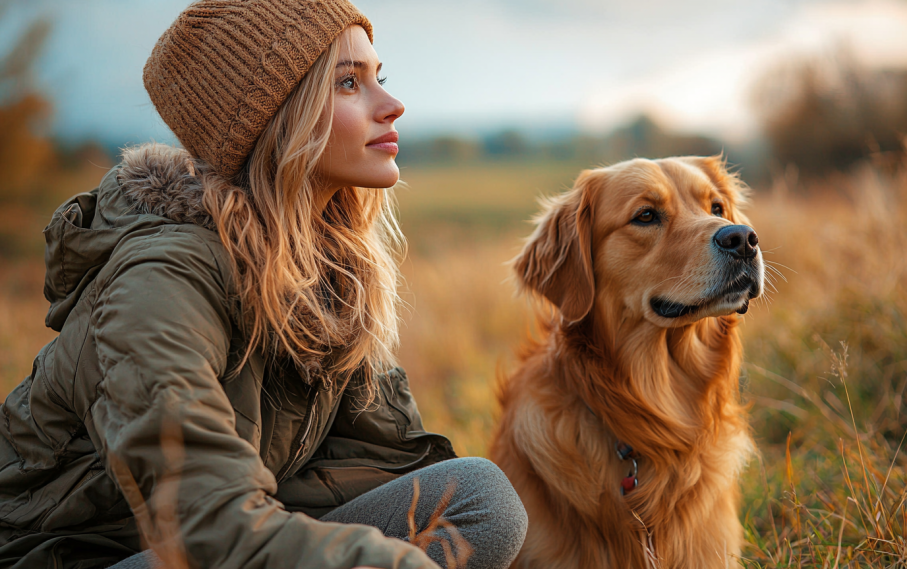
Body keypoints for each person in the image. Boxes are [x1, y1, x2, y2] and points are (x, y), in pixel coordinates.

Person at [0, 1, 528, 568]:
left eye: (380, 77)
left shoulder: (323, 262)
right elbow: (206, 524)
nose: (392, 105)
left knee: (478, 499)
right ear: (277, 118)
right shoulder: (160, 279)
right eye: (349, 83)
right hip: (88, 555)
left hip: (224, 526)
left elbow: (388, 463)